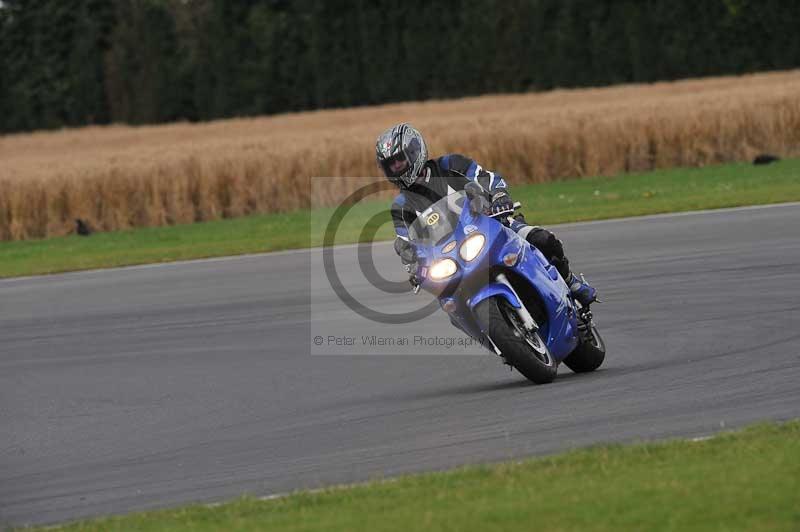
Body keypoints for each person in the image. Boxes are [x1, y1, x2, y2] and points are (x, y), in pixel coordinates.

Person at [376, 122, 597, 306]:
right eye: (391, 165)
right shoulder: (401, 206)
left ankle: (571, 282)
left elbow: (486, 178)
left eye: (400, 160)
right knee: (449, 302)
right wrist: (413, 265)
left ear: (415, 151)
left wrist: (499, 196)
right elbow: (406, 241)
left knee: (541, 239)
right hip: (451, 256)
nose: (397, 167)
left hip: (493, 224)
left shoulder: (450, 164)